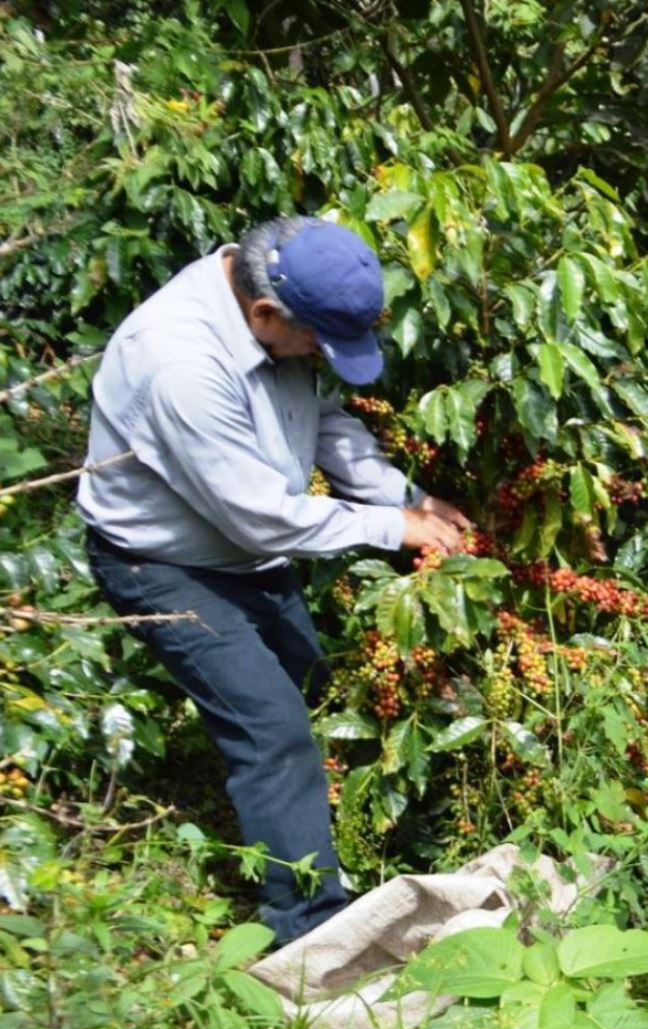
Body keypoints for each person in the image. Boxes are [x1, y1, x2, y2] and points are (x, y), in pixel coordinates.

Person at [77, 215, 472, 944]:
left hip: (247, 554)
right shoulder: (181, 363)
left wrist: (401, 497)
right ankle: (311, 933)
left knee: (317, 689)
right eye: (319, 342)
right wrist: (393, 530)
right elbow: (260, 518)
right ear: (266, 314)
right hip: (167, 567)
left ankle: (349, 843)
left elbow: (326, 422)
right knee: (273, 729)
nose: (320, 356)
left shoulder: (279, 318)